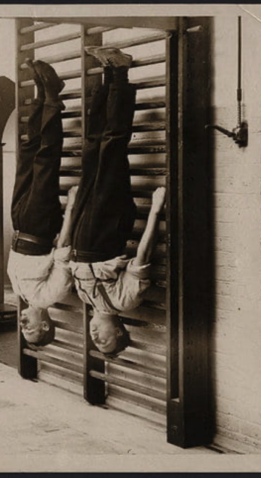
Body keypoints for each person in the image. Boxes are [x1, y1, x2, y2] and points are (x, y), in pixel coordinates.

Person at [68, 46, 167, 357]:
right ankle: (121, 73)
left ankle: (109, 73)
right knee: (111, 147)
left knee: (91, 147)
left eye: (94, 341)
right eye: (105, 340)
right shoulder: (127, 301)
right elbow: (143, 253)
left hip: (83, 233)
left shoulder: (86, 299)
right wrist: (156, 209)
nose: (96, 336)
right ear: (121, 330)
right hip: (107, 228)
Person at [7, 59, 77, 347]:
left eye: (23, 332)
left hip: (19, 224)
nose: (24, 326)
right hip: (39, 226)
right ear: (46, 324)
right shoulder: (53, 295)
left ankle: (40, 95)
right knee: (46, 158)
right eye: (32, 330)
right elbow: (63, 252)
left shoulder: (22, 296)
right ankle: (53, 96)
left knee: (26, 155)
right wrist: (71, 207)